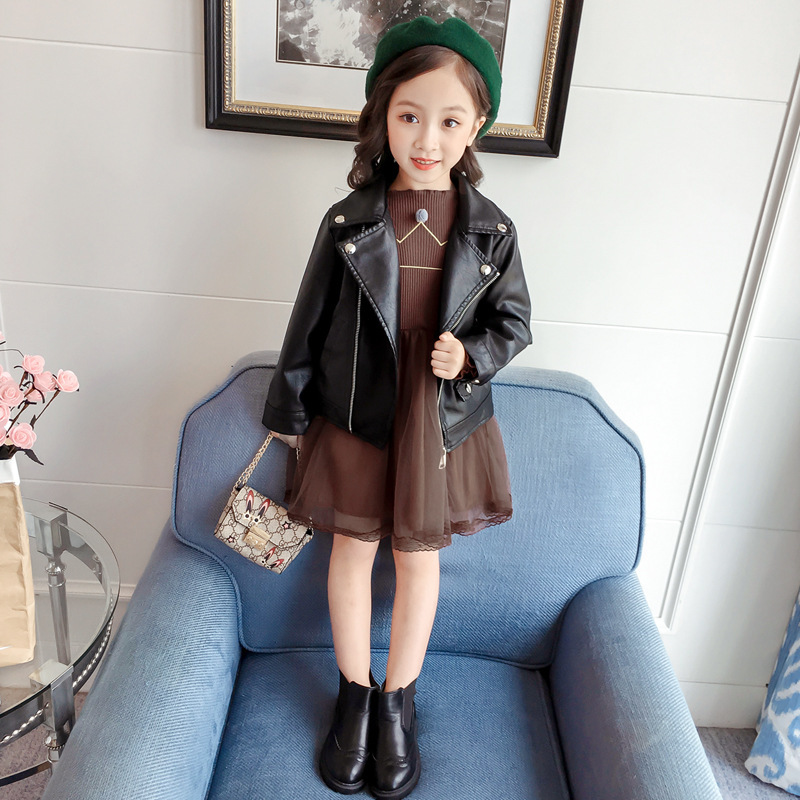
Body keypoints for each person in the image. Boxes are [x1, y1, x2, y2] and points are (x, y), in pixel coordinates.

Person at [262, 15, 532, 799]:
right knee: (350, 552)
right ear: (383, 114)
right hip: (355, 411)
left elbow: (514, 321)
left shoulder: (492, 231)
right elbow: (308, 322)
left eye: (449, 120)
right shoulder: (348, 221)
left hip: (440, 420)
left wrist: (471, 356)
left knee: (418, 561)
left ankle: (398, 701)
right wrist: (290, 409)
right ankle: (354, 694)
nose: (427, 138)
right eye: (410, 115)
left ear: (476, 125)